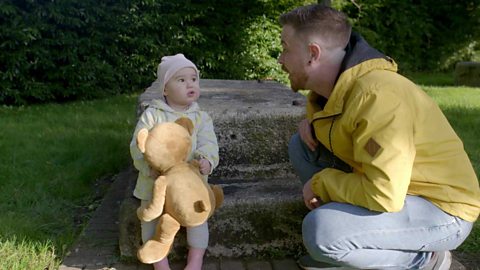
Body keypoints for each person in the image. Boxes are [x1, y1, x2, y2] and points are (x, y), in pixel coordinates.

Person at [278, 4, 480, 270]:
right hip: (398, 189)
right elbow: (346, 125)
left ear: (313, 54)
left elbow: (384, 194)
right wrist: (313, 121)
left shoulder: (378, 97)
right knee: (301, 148)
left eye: (285, 47)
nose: (280, 59)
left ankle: (424, 260)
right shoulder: (339, 89)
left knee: (322, 233)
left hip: (442, 210)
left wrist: (321, 182)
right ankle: (351, 244)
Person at [130, 53, 219, 270]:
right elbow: (138, 144)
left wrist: (206, 160)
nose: (190, 84)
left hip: (188, 185)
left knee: (199, 216)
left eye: (194, 79)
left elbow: (209, 143)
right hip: (156, 184)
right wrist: (148, 167)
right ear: (165, 89)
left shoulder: (200, 118)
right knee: (150, 220)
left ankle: (195, 259)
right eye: (181, 80)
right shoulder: (153, 115)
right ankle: (160, 262)